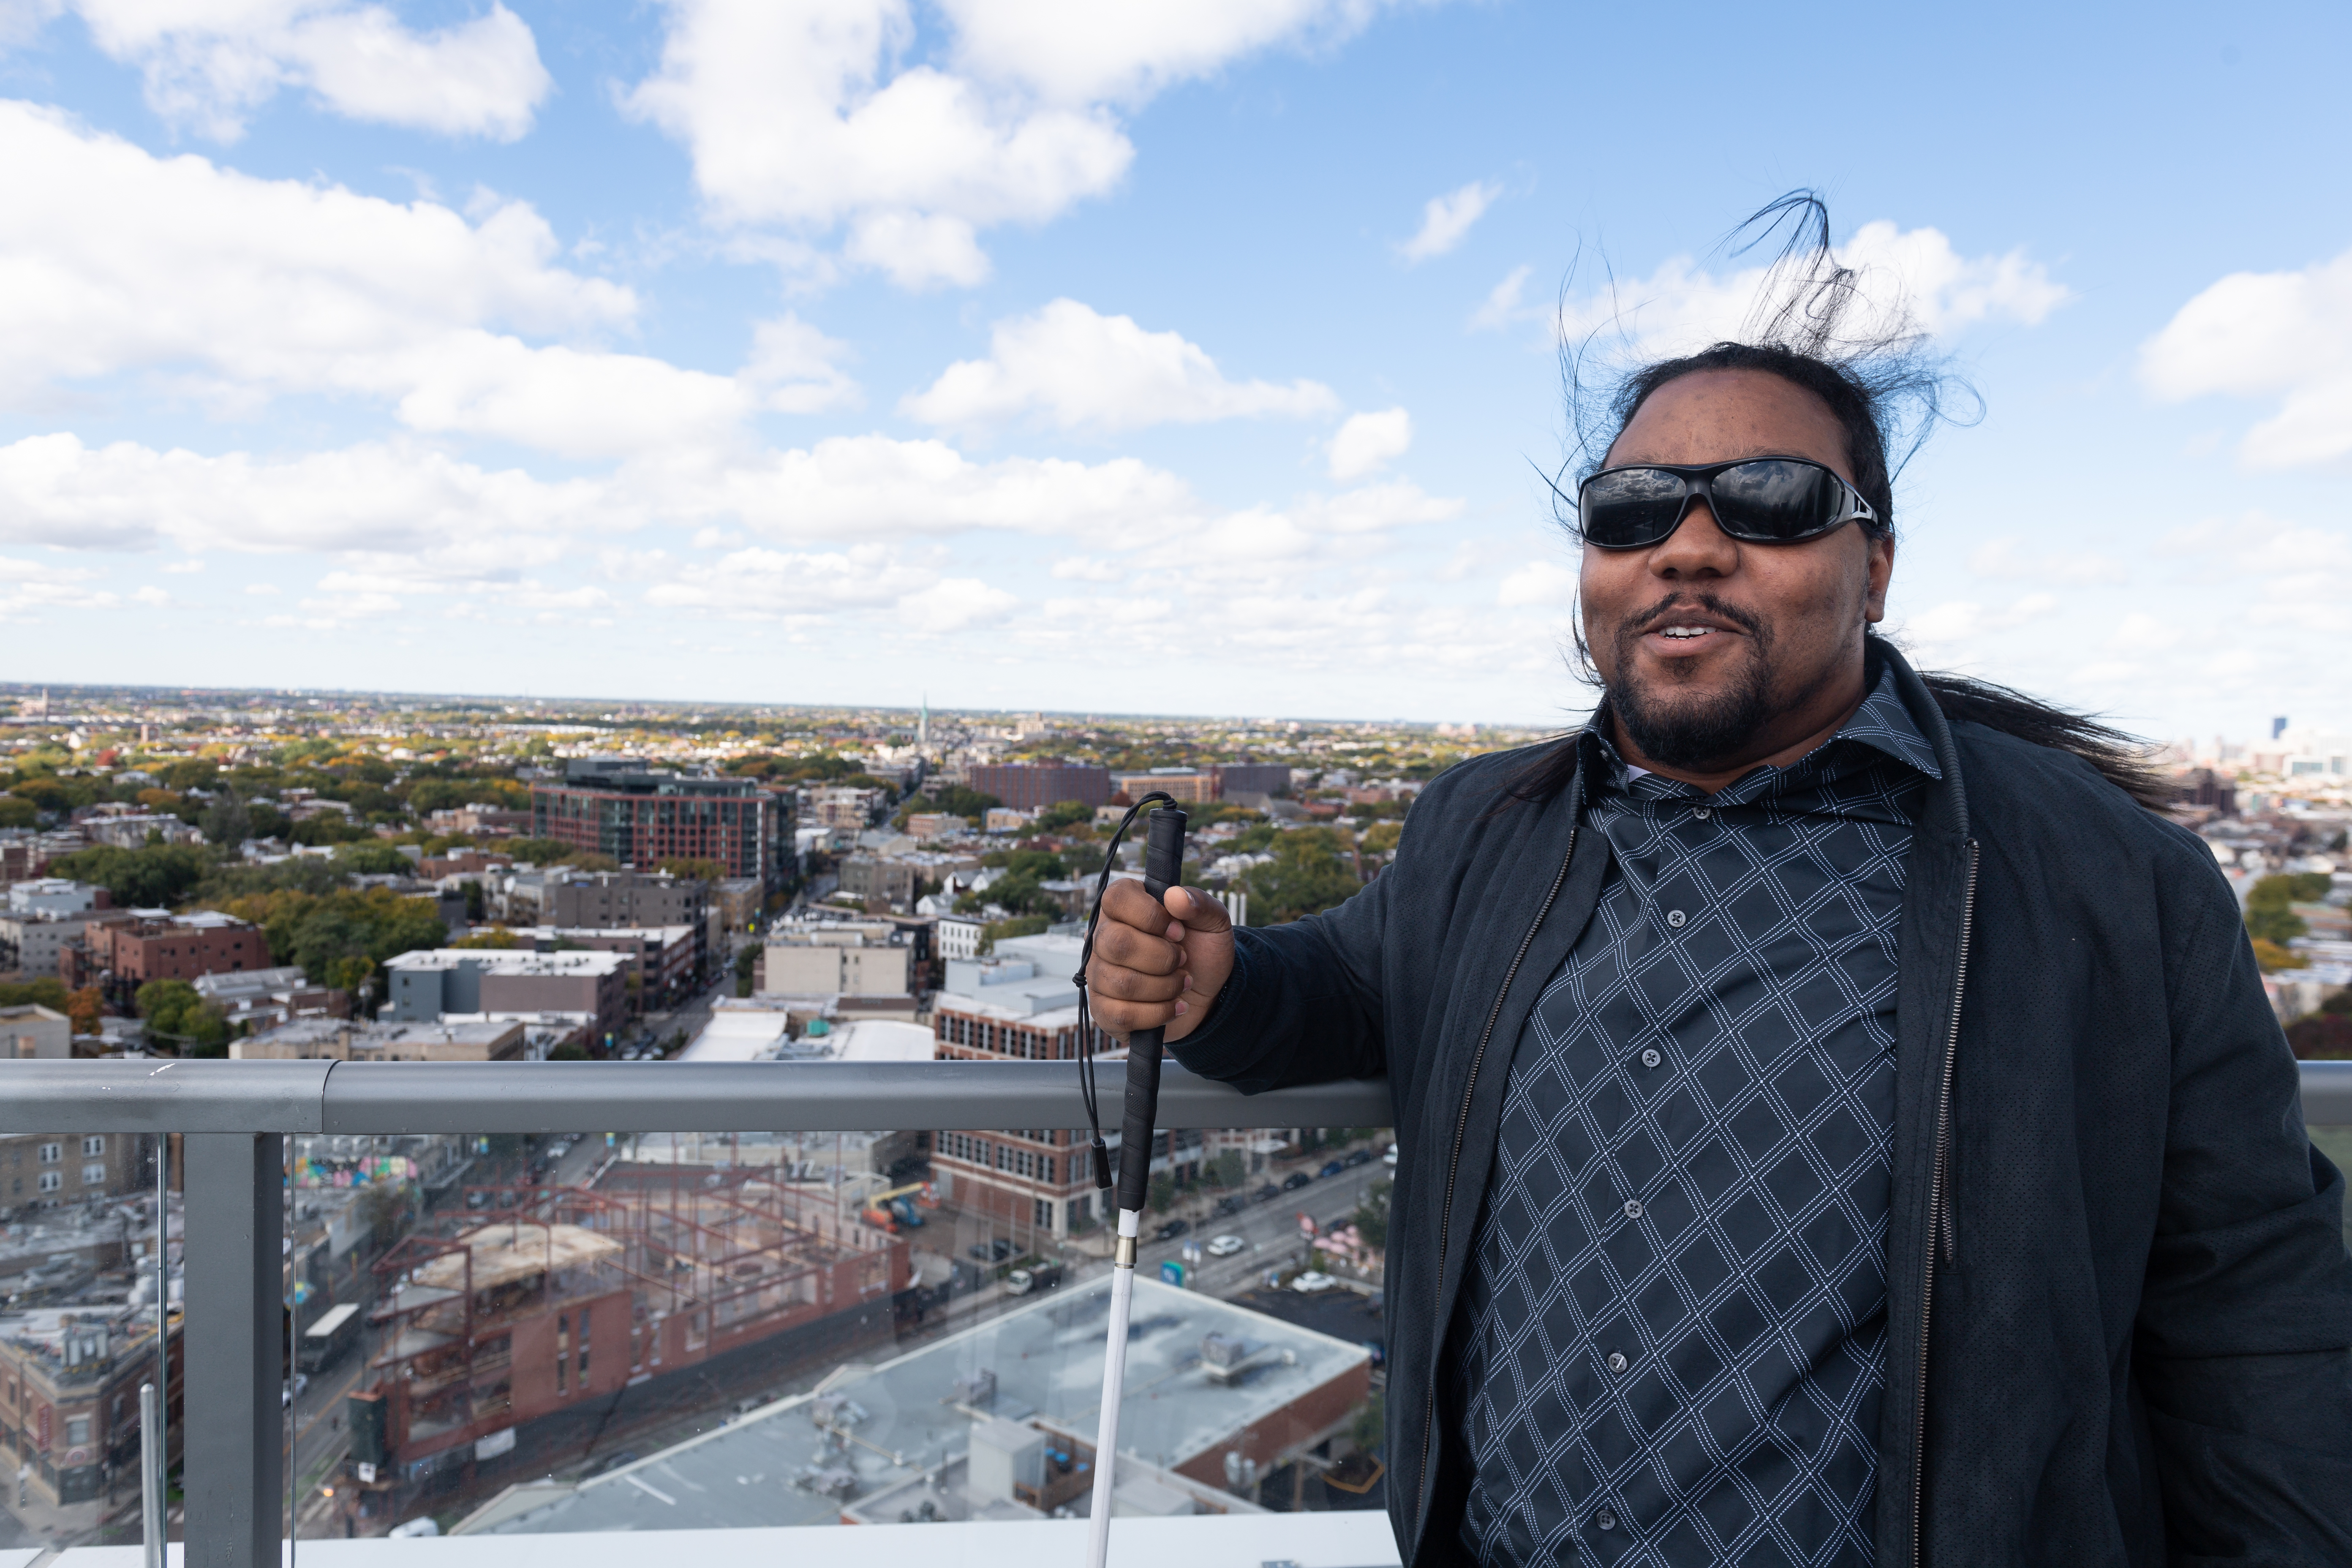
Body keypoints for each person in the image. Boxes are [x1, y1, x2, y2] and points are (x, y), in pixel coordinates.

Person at [1083, 204, 2352, 1566]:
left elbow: (2255, 1316)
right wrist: (1221, 983)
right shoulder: (1485, 825)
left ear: (1873, 566)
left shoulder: (2105, 882)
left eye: (1769, 500)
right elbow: (1353, 985)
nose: (1686, 546)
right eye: (1633, 513)